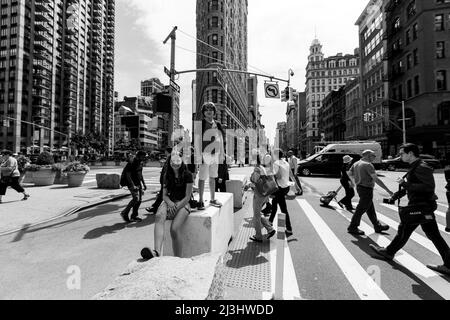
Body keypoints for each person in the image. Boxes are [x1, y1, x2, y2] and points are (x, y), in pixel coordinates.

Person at [370, 143, 450, 276]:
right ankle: (448, 264)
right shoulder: (415, 166)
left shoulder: (421, 167)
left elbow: (428, 187)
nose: (399, 156)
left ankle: (389, 252)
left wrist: (405, 184)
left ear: (410, 153)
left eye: (402, 153)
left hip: (421, 206)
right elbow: (411, 186)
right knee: (432, 235)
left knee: (405, 229)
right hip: (422, 206)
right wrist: (395, 196)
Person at [141, 151, 194, 259]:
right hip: (169, 201)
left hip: (183, 203)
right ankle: (156, 252)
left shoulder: (188, 175)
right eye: (172, 161)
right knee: (159, 216)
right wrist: (170, 204)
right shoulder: (166, 175)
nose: (175, 164)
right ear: (169, 162)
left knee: (174, 229)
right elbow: (164, 195)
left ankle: (177, 258)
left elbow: (187, 196)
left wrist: (176, 207)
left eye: (177, 161)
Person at [347, 150, 393, 235]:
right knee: (360, 209)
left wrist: (354, 182)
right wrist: (388, 190)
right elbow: (376, 179)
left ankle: (377, 226)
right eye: (373, 156)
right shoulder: (368, 165)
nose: (374, 157)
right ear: (367, 156)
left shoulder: (356, 163)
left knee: (370, 208)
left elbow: (349, 173)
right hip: (366, 189)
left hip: (360, 188)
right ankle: (353, 227)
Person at [197, 102, 225, 210]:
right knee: (202, 177)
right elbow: (197, 140)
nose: (209, 111)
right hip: (204, 154)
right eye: (206, 109)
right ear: (203, 112)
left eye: (211, 109)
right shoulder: (201, 124)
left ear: (214, 112)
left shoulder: (217, 124)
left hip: (215, 155)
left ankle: (212, 198)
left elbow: (221, 140)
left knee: (213, 177)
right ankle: (200, 200)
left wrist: (222, 153)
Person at [249, 151, 276, 242]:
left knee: (256, 216)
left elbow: (255, 181)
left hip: (259, 195)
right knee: (259, 213)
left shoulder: (257, 169)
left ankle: (258, 236)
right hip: (264, 195)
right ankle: (270, 229)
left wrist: (249, 184)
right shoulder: (262, 168)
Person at [269, 149, 294, 237]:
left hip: (279, 188)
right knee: (274, 204)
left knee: (283, 209)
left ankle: (289, 229)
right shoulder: (285, 162)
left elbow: (278, 176)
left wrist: (271, 173)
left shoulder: (276, 163)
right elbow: (290, 174)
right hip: (285, 187)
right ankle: (270, 222)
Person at [119, 151, 147, 223]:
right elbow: (128, 175)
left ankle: (134, 216)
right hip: (131, 183)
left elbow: (140, 174)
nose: (144, 158)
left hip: (138, 183)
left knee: (139, 200)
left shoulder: (140, 163)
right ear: (139, 156)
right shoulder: (131, 162)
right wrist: (132, 185)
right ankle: (124, 213)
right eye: (143, 156)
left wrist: (144, 184)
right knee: (136, 199)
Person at [145, 148, 173, 215]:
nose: (165, 152)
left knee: (163, 195)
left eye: (165, 151)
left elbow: (169, 170)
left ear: (167, 151)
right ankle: (155, 208)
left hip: (167, 180)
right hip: (165, 180)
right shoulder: (169, 158)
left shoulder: (171, 158)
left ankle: (155, 207)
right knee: (162, 195)